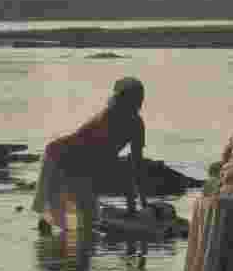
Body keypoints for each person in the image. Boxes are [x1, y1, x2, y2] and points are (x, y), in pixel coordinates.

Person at [32, 77, 149, 235]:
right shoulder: (107, 119)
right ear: (121, 99)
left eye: (140, 98)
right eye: (134, 98)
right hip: (59, 157)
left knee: (85, 221)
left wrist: (142, 204)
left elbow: (137, 164)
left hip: (81, 165)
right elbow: (98, 160)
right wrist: (132, 207)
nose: (139, 103)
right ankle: (48, 247)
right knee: (61, 218)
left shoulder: (137, 125)